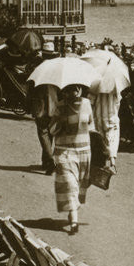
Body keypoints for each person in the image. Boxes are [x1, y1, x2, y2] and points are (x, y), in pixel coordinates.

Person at [48, 84, 95, 234]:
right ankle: (74, 221)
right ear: (66, 91)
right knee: (70, 185)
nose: (74, 92)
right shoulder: (60, 106)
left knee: (77, 186)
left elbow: (91, 125)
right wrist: (61, 121)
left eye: (77, 88)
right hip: (65, 152)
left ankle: (72, 212)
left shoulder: (87, 104)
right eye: (71, 89)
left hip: (83, 152)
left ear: (81, 90)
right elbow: (52, 129)